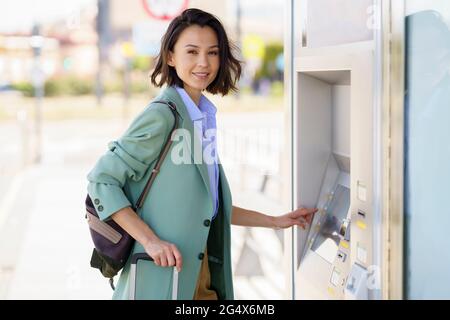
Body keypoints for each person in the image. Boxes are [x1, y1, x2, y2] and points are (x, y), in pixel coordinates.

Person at [87, 8, 317, 300]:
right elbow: (101, 181)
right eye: (192, 52)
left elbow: (208, 209)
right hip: (162, 276)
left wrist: (275, 221)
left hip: (201, 274)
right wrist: (151, 241)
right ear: (171, 57)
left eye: (212, 52)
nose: (203, 63)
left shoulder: (202, 116)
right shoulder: (163, 116)